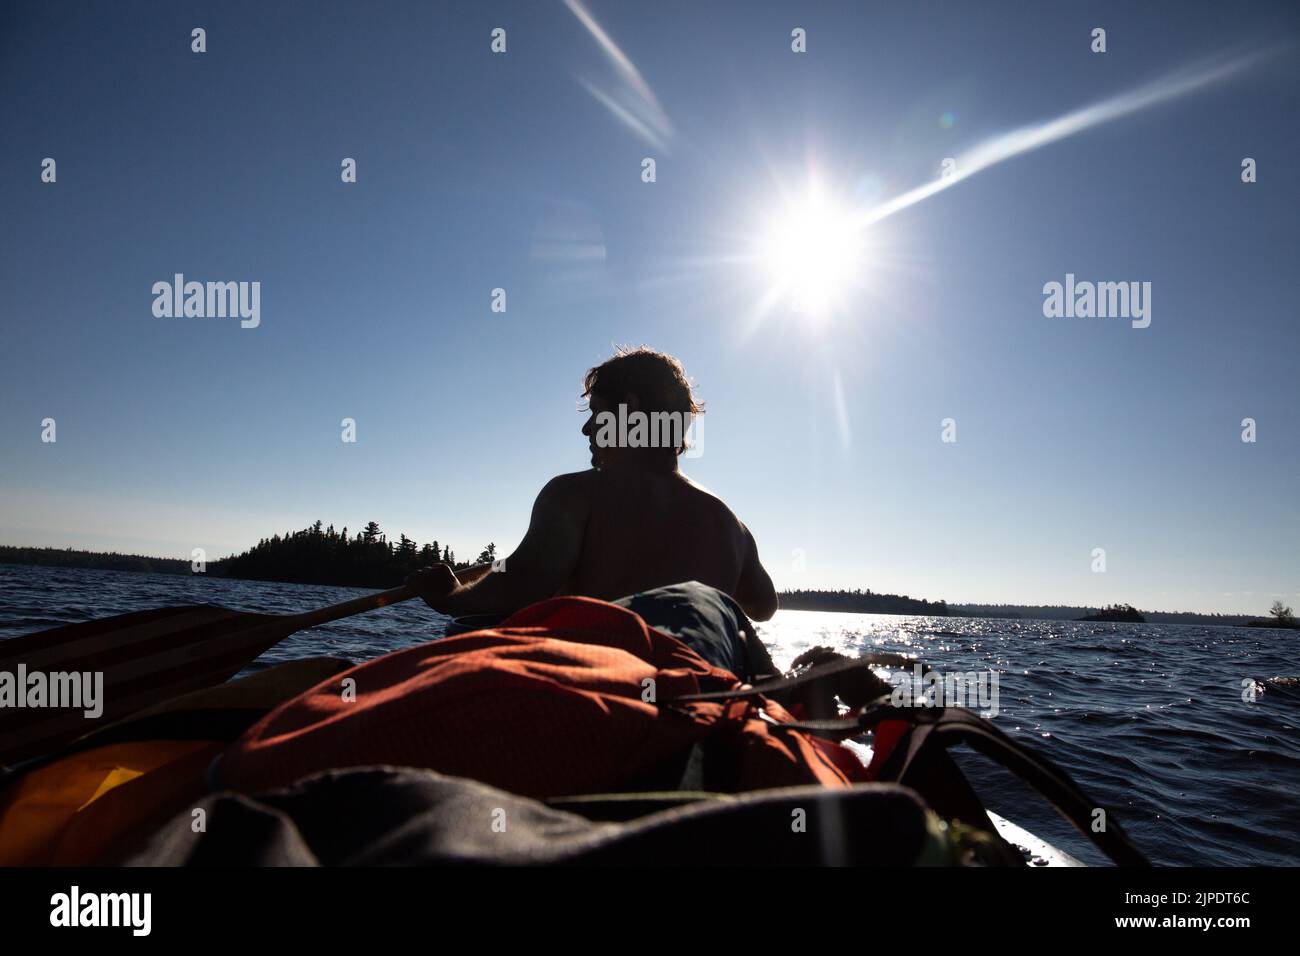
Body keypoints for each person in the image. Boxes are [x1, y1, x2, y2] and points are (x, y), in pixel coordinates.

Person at [405, 346, 781, 679]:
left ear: (630, 409)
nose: (587, 429)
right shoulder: (731, 525)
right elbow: (764, 606)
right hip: (698, 711)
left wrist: (451, 594)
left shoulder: (575, 495)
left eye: (597, 413)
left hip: (605, 705)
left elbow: (516, 588)